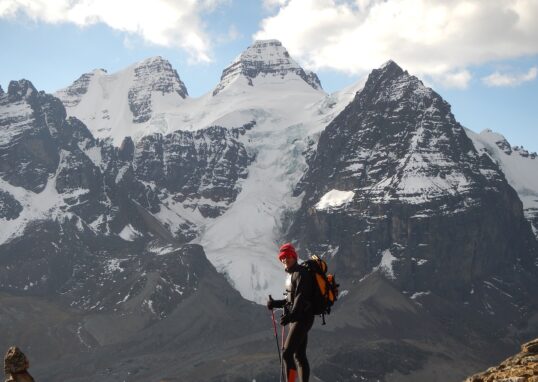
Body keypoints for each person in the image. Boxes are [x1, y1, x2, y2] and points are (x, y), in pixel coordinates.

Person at [267, 243, 315, 382]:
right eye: (282, 258)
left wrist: (291, 316)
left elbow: (300, 298)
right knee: (299, 355)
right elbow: (290, 300)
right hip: (298, 319)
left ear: (294, 256)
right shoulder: (291, 275)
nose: (285, 260)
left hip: (302, 319)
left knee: (287, 354)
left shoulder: (301, 273)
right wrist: (275, 303)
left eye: (287, 256)